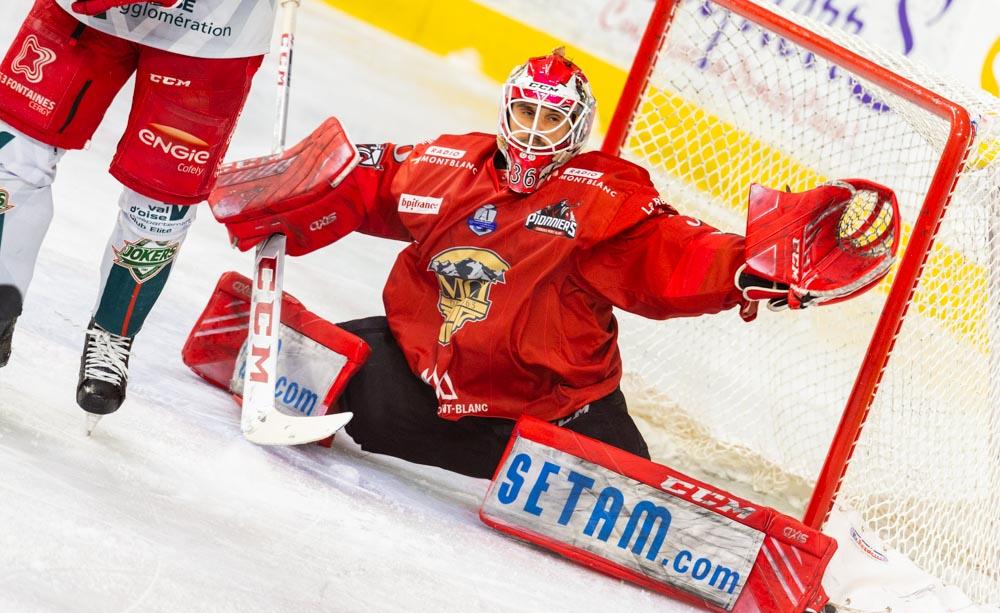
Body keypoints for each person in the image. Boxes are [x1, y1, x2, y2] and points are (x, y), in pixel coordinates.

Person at [210, 48, 898, 478]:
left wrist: (747, 265)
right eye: (526, 115)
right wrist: (304, 189)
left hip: (548, 417)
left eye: (552, 121)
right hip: (418, 384)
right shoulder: (448, 164)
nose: (535, 133)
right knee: (289, 357)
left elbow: (670, 254)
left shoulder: (601, 198)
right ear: (507, 112)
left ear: (577, 129)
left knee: (633, 495)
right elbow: (372, 180)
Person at [0, 0, 275, 422]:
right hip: (84, 18)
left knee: (162, 203)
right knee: (12, 158)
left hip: (213, 33)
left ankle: (113, 332)